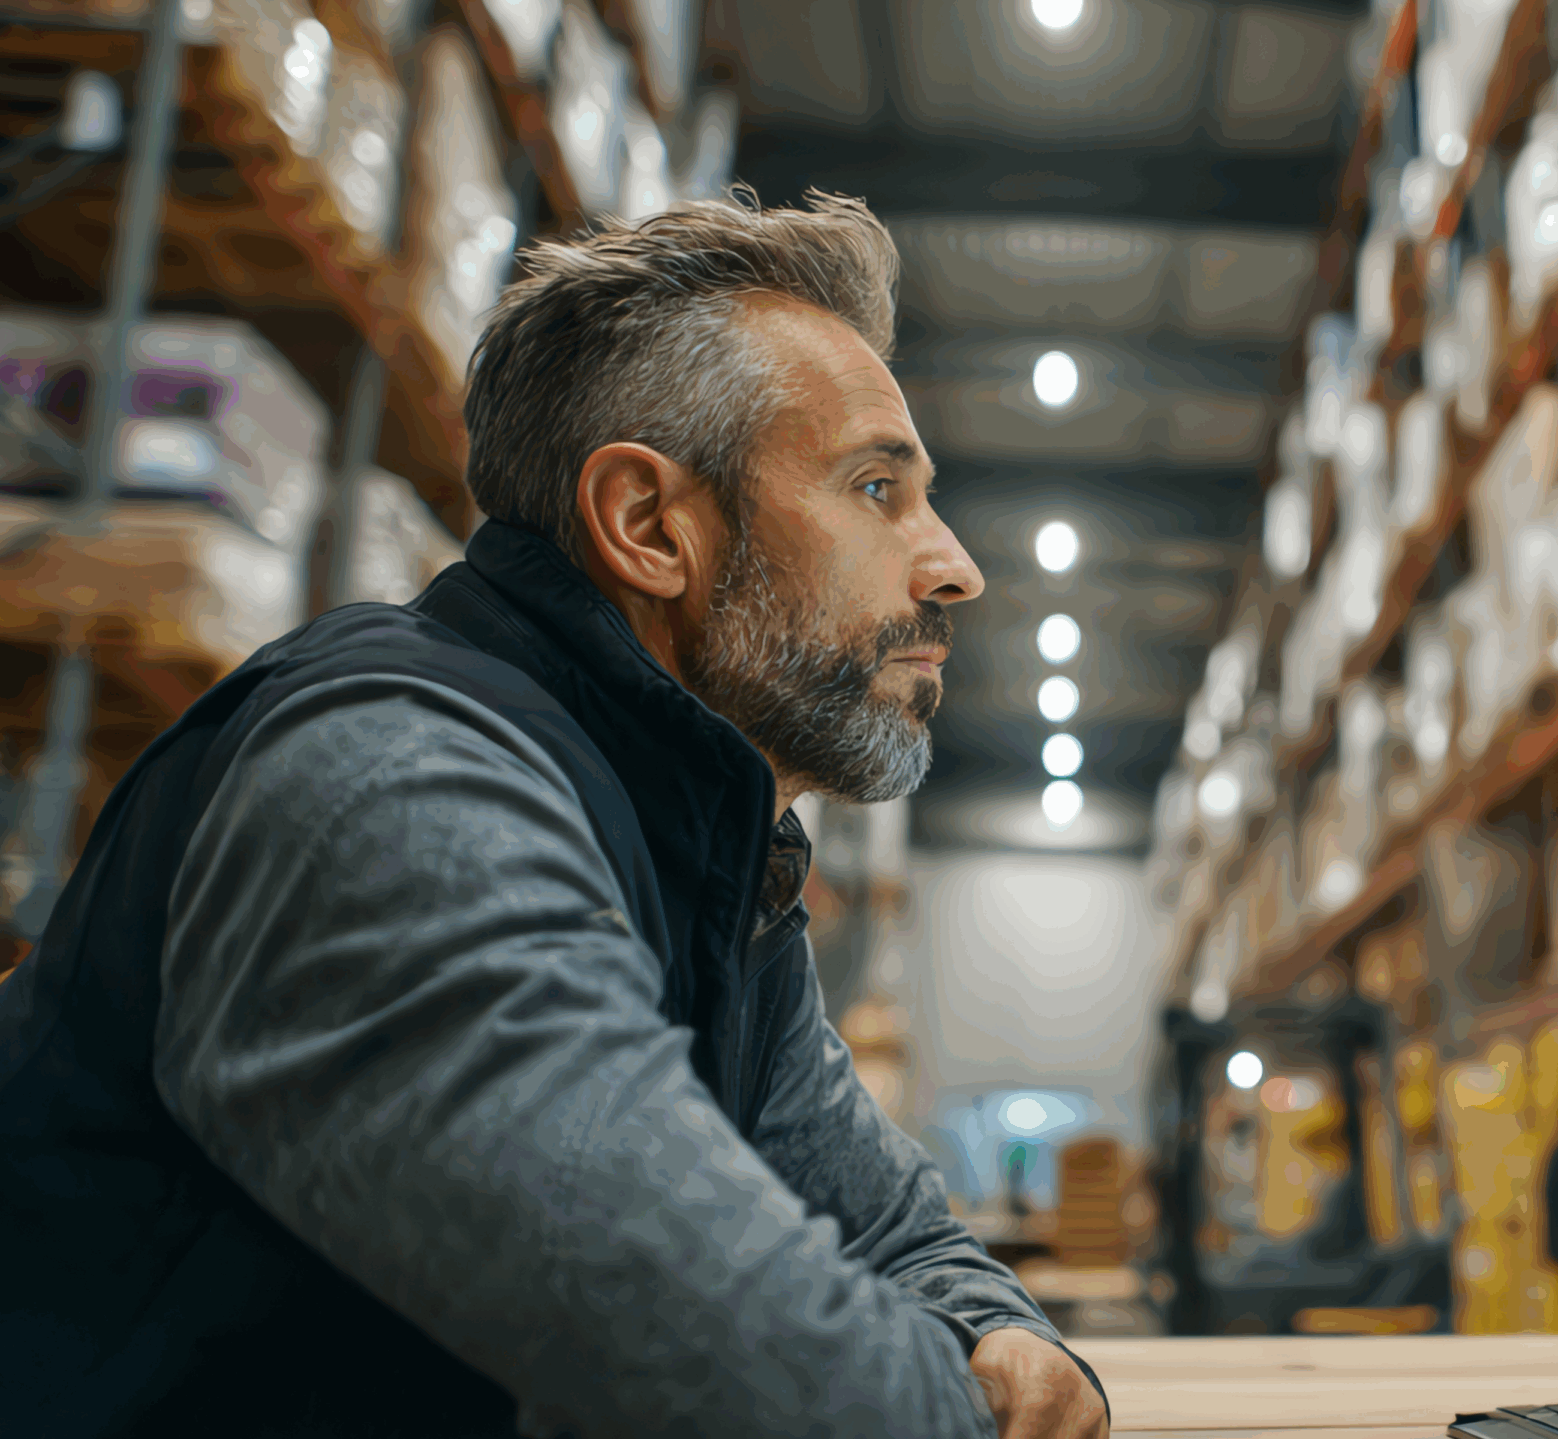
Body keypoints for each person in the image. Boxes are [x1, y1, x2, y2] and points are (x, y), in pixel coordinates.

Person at [0, 191, 1110, 1439]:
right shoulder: (393, 777)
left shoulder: (708, 861)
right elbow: (713, 1349)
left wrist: (997, 1331)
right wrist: (971, 1401)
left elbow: (893, 1231)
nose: (955, 564)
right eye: (874, 487)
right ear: (647, 525)